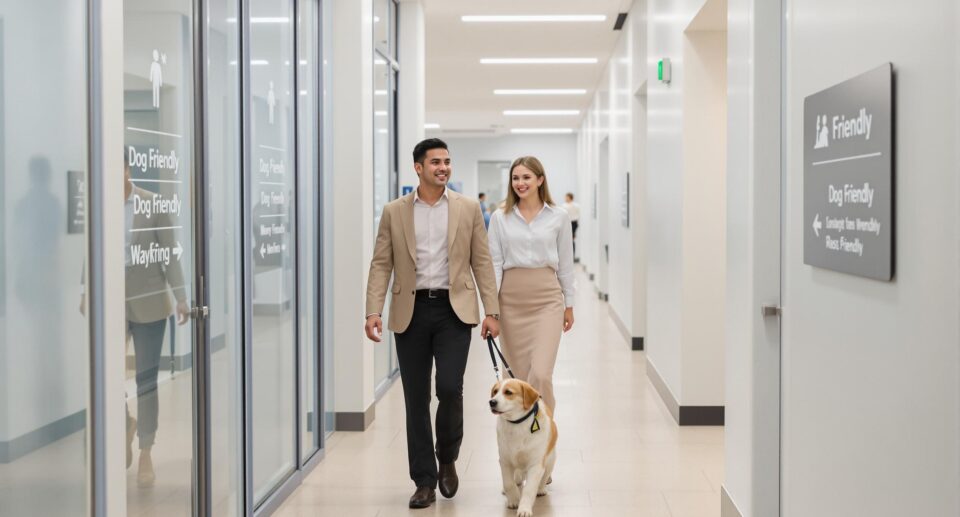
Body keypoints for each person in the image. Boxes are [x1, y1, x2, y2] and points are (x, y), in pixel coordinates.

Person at [365, 138, 501, 509]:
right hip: (410, 312)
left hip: (453, 310)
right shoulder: (394, 212)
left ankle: (448, 459)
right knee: (415, 398)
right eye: (436, 162)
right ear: (418, 167)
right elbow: (381, 263)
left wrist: (492, 310)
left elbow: (482, 261)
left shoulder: (467, 208)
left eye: (447, 161)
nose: (443, 167)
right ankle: (423, 480)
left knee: (449, 388)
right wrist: (372, 310)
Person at [81, 153, 190, 488]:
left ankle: (145, 449)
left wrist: (182, 297)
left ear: (129, 169)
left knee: (145, 379)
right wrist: (87, 289)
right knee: (108, 376)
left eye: (119, 169)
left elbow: (169, 252)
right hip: (112, 302)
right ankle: (125, 422)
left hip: (151, 304)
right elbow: (92, 248)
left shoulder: (153, 204)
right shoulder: (100, 205)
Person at [487, 156, 576, 414]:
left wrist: (568, 305)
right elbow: (494, 264)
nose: (520, 183)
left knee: (540, 373)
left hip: (547, 299)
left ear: (540, 180)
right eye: (515, 178)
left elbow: (566, 264)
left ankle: (542, 428)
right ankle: (520, 434)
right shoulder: (499, 217)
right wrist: (492, 311)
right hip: (510, 302)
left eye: (526, 177)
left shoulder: (559, 216)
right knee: (516, 377)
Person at [563, 192, 581, 262]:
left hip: (573, 223)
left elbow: (578, 214)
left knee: (571, 240)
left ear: (570, 197)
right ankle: (567, 256)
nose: (565, 198)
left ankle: (572, 256)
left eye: (566, 197)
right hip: (567, 223)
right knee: (566, 240)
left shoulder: (575, 206)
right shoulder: (564, 205)